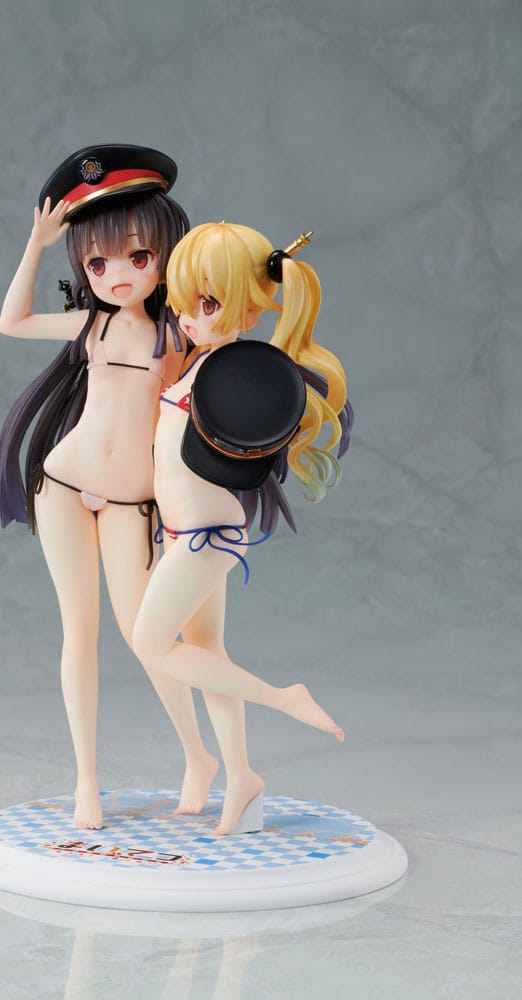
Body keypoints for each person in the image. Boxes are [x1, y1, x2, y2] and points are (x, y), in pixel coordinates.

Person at [0, 145, 219, 830]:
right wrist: (36, 246)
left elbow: (218, 374)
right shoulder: (91, 323)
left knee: (146, 634)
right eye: (97, 264)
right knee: (79, 632)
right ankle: (86, 781)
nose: (117, 275)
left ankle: (199, 756)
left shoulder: (177, 336)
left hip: (130, 500)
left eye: (137, 257)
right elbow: (12, 322)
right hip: (64, 484)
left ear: (164, 256)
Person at [132, 222, 353, 835]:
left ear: (250, 309)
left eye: (207, 303)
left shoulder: (235, 374)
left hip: (206, 535)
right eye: (184, 302)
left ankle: (284, 697)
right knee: (206, 655)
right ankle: (243, 779)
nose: (189, 317)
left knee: (151, 644)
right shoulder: (202, 365)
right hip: (187, 533)